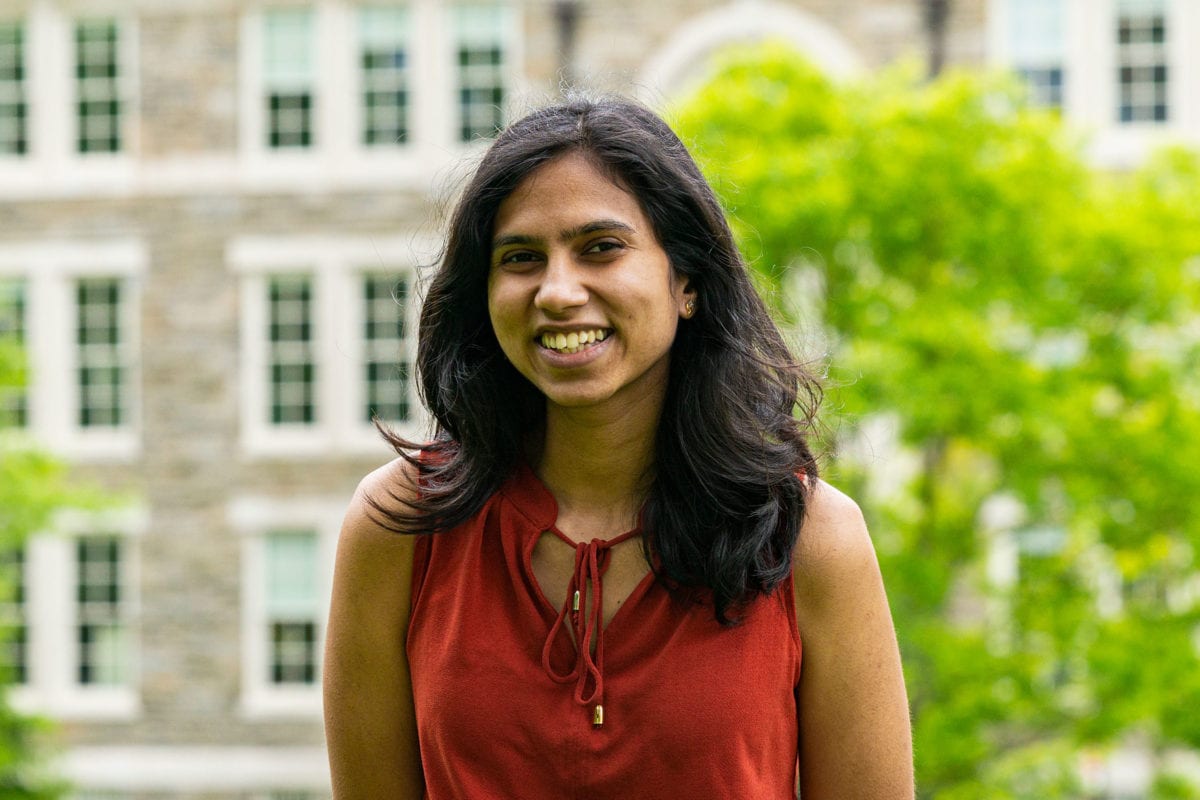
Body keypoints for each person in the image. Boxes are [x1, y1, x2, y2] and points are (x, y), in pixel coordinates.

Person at [323, 97, 913, 799]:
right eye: (521, 258)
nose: (558, 291)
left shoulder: (811, 537)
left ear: (686, 281)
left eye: (601, 247)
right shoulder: (399, 526)